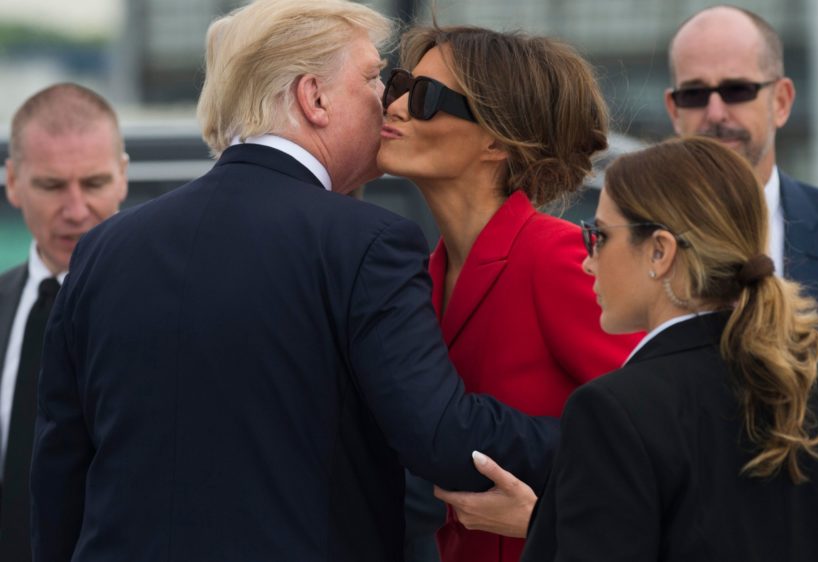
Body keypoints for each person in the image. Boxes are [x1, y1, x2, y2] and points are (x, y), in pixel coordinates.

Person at [29, 2, 558, 561]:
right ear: (314, 98)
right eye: (372, 77)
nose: (387, 98)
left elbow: (59, 471)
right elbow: (441, 437)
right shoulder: (366, 242)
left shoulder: (104, 249)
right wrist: (596, 443)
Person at [445, 137, 818, 561]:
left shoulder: (614, 411)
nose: (588, 259)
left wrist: (548, 526)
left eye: (599, 235)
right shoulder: (805, 387)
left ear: (660, 251)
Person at [378, 26, 640, 562]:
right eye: (399, 85)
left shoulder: (554, 257)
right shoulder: (426, 276)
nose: (396, 106)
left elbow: (658, 440)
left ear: (496, 142)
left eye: (424, 97)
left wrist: (548, 521)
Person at [0, 83, 128, 562]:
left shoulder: (175, 314)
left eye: (93, 183)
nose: (76, 210)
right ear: (13, 183)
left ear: (122, 177)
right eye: (52, 186)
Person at [664, 5, 818, 313]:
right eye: (694, 94)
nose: (715, 113)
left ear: (781, 101)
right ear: (674, 110)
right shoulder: (623, 244)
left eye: (737, 90)